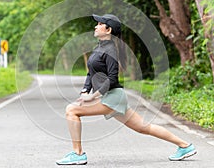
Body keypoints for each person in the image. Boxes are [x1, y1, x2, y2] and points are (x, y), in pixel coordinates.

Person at [56, 14, 197, 165]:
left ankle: (78, 153)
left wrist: (93, 96)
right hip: (113, 97)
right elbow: (91, 72)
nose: (95, 26)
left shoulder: (110, 50)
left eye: (99, 24)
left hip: (113, 97)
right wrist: (85, 90)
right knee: (143, 127)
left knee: (71, 110)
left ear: (108, 29)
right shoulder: (99, 47)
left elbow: (112, 78)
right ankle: (185, 146)